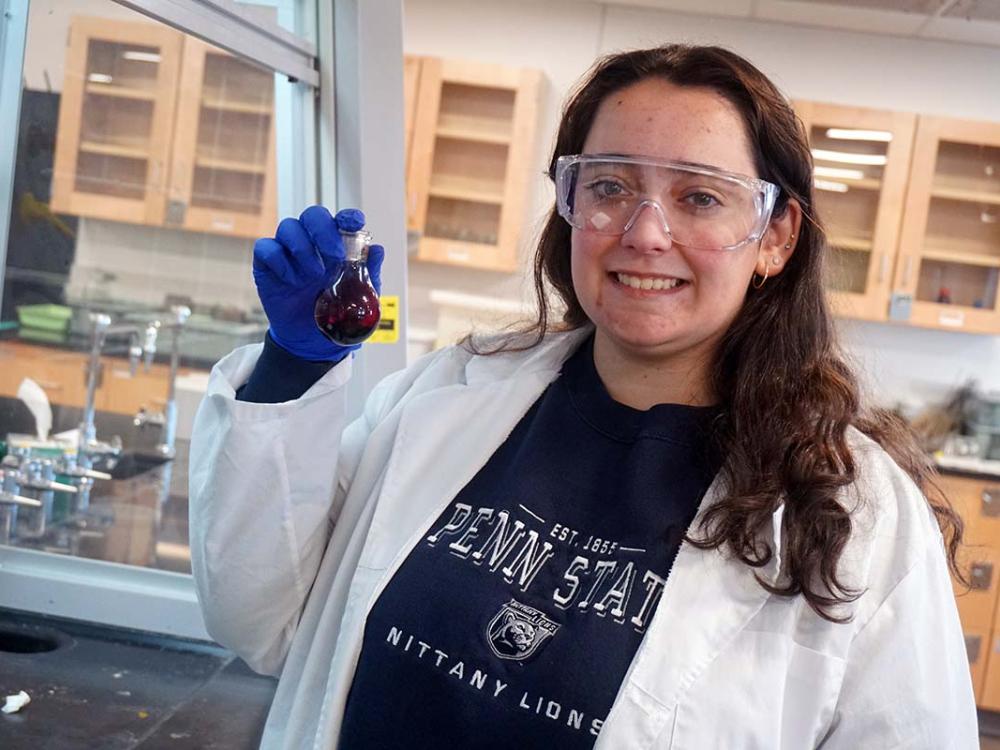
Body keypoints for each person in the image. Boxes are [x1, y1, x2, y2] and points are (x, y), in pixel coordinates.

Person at [189, 44, 978, 749]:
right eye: (609, 185)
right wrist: (291, 366)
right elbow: (261, 622)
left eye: (700, 197)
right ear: (570, 207)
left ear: (774, 236)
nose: (643, 232)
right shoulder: (451, 393)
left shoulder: (861, 520)